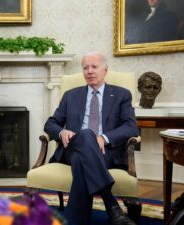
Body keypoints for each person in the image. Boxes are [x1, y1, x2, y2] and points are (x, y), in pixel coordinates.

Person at [44, 52, 139, 225]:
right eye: (85, 67)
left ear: (105, 70)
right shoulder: (70, 95)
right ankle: (112, 207)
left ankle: (76, 221)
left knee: (82, 161)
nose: (89, 71)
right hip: (72, 148)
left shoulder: (121, 95)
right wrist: (61, 132)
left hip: (106, 152)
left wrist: (104, 137)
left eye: (94, 67)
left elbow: (131, 126)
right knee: (86, 134)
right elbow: (51, 124)